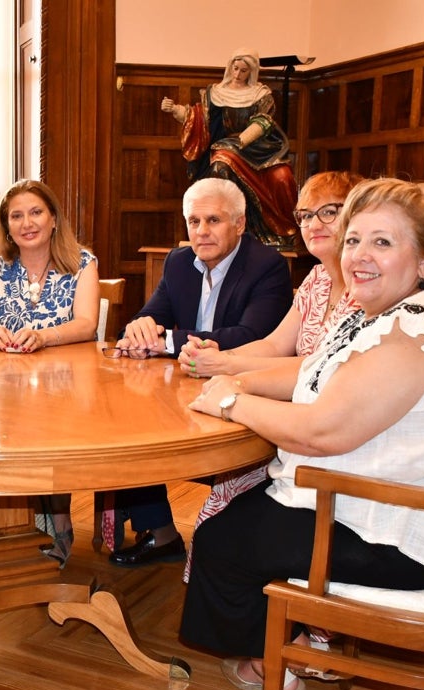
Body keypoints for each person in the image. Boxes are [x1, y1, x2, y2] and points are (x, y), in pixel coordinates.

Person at [184, 178, 424, 690]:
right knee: (238, 516)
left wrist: (228, 404)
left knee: (223, 539)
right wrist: (234, 381)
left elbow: (322, 432)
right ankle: (293, 639)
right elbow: (311, 372)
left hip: (420, 532)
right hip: (387, 501)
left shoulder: (413, 332)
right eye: (355, 239)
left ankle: (273, 660)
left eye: (383, 242)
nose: (359, 255)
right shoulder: (379, 311)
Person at [172, 171, 366, 579]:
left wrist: (226, 371)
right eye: (305, 215)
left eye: (328, 212)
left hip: (338, 438)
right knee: (221, 502)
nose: (314, 224)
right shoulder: (315, 280)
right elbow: (276, 345)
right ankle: (256, 614)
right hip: (294, 422)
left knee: (230, 504)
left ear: (360, 215)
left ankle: (305, 618)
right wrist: (218, 355)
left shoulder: (369, 287)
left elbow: (320, 367)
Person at [106, 177, 290, 568]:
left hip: (240, 391)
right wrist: (141, 330)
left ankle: (227, 548)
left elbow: (250, 337)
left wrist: (166, 341)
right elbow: (147, 318)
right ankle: (161, 533)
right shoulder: (178, 262)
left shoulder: (267, 266)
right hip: (183, 388)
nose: (201, 232)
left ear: (239, 224)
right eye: (194, 222)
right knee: (128, 423)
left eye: (213, 221)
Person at [0, 179, 100, 564]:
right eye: (15, 216)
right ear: (6, 225)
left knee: (52, 429)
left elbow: (87, 324)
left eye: (35, 212)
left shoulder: (82, 262)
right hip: (3, 387)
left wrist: (45, 336)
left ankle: (58, 521)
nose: (26, 222)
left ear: (53, 218)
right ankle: (3, 531)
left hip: (64, 386)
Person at [161, 47, 298, 246]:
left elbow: (263, 122)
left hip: (258, 148)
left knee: (282, 177)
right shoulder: (216, 93)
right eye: (235, 68)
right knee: (220, 164)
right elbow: (199, 118)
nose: (237, 74)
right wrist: (175, 110)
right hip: (224, 148)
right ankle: (219, 227)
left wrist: (242, 141)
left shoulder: (261, 94)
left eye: (243, 71)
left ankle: (277, 232)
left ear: (251, 72)